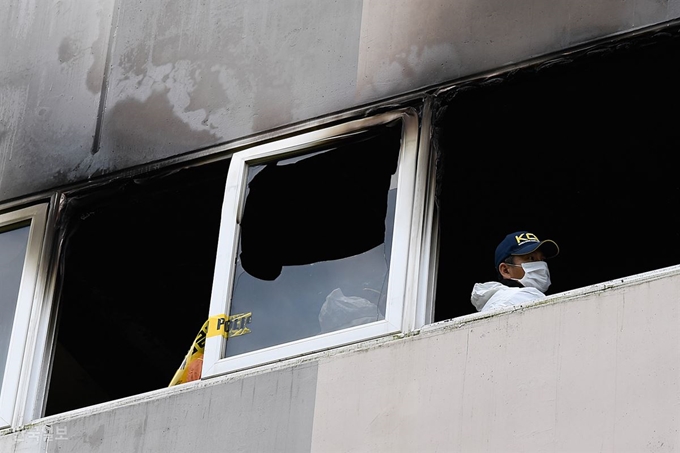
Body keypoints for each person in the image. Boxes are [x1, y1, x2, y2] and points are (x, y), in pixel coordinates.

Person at [471, 231, 559, 313]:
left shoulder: (501, 300)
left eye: (542, 259)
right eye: (531, 258)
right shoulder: (517, 299)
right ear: (505, 270)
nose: (541, 265)